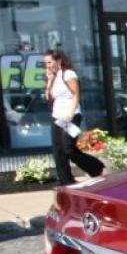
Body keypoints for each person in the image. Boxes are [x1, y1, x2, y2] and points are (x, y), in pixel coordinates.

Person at [43, 49, 104, 185]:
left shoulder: (68, 74)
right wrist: (49, 81)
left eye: (49, 62)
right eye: (45, 63)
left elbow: (76, 95)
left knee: (68, 147)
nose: (47, 65)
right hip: (57, 117)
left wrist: (70, 114)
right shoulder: (55, 76)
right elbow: (49, 97)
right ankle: (66, 181)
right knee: (58, 151)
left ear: (58, 61)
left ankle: (95, 167)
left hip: (71, 116)